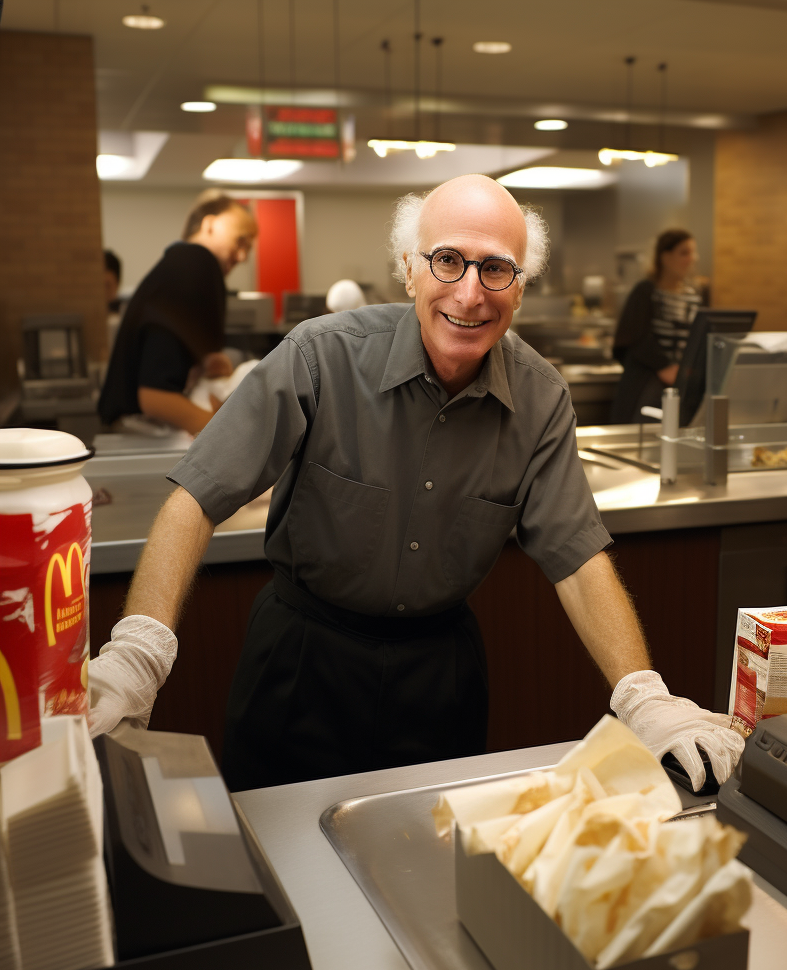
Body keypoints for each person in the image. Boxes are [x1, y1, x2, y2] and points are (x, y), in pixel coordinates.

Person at [86, 175, 743, 794]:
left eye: (496, 269)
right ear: (409, 267)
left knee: (428, 871)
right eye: (448, 260)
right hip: (301, 664)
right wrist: (139, 653)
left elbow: (577, 557)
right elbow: (195, 500)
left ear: (519, 287)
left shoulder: (540, 397)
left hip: (440, 678)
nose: (469, 293)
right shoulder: (321, 357)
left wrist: (642, 694)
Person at [98, 191, 257, 435]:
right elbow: (155, 395)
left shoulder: (177, 266)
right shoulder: (197, 262)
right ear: (210, 225)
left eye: (249, 247)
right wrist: (225, 434)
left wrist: (205, 360)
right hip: (137, 432)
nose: (243, 256)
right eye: (240, 240)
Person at [609, 229, 702, 424]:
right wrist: (664, 366)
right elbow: (633, 336)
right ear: (665, 257)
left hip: (682, 383)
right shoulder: (646, 291)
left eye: (692, 252)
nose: (693, 259)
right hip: (646, 381)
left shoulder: (694, 295)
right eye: (684, 253)